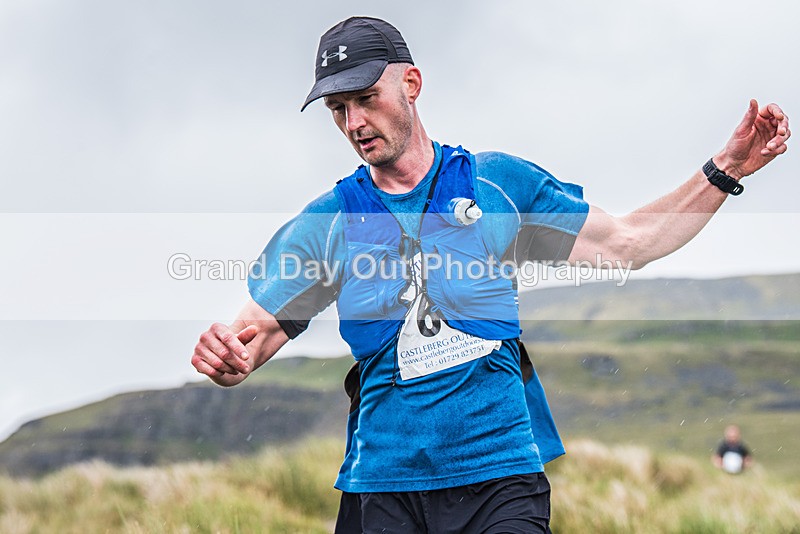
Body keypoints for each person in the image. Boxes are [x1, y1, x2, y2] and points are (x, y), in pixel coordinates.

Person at [190, 16, 789, 533]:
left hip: (500, 478)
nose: (353, 123)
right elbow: (253, 335)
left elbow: (631, 242)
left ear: (411, 83)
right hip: (383, 487)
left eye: (366, 98)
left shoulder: (497, 185)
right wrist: (230, 361)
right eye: (337, 109)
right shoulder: (329, 221)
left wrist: (725, 169)